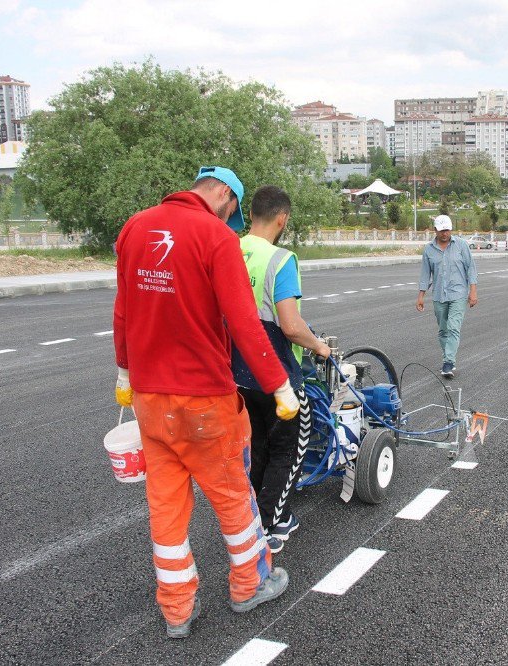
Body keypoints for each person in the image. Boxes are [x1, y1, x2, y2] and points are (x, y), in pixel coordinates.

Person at [113, 166, 300, 639]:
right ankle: (249, 584)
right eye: (231, 209)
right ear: (223, 193)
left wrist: (124, 373)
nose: (230, 217)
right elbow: (243, 322)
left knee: (166, 508)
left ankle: (177, 611)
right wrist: (279, 385)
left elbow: (123, 309)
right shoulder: (215, 237)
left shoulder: (135, 228)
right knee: (234, 497)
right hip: (205, 400)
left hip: (152, 401)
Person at [231, 185, 331, 555]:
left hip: (235, 373)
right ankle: (276, 522)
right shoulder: (280, 259)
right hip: (274, 374)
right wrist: (319, 345)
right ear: (282, 218)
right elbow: (290, 325)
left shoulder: (229, 248)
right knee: (289, 447)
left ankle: (253, 515)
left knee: (255, 445)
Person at [416, 214, 479, 378]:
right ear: (435, 230)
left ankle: (448, 362)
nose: (445, 234)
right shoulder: (429, 250)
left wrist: (473, 291)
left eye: (447, 230)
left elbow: (471, 268)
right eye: (442, 231)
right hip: (438, 295)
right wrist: (421, 296)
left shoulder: (461, 246)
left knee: (453, 327)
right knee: (443, 330)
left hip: (458, 294)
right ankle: (448, 360)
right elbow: (425, 274)